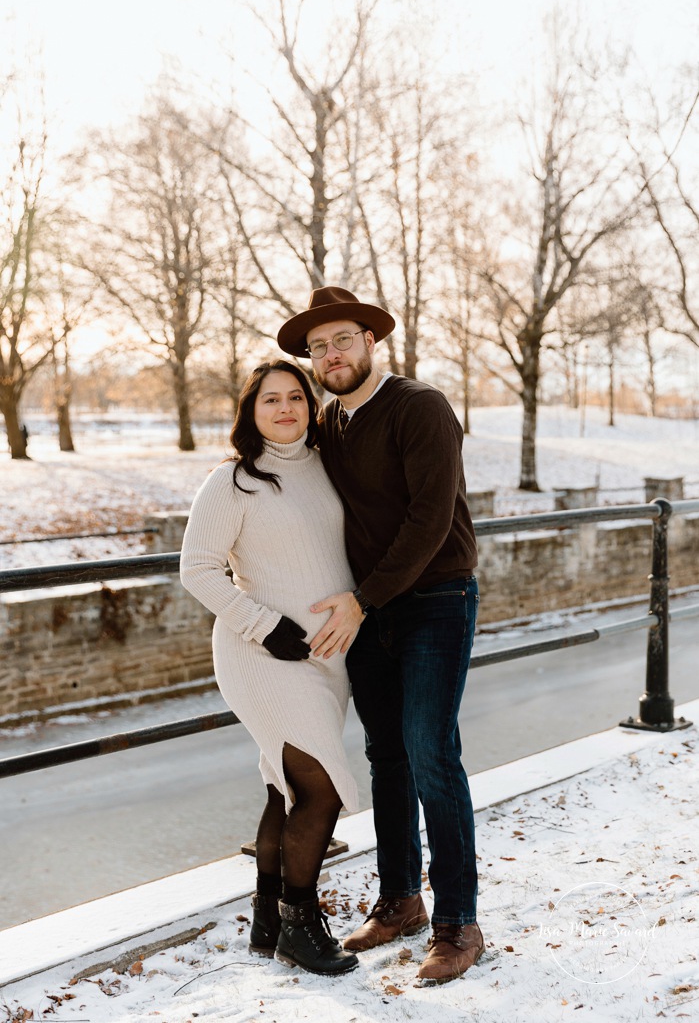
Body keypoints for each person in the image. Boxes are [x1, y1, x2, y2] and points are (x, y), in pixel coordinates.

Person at [277, 286, 483, 985]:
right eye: (317, 348)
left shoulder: (418, 407)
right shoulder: (330, 424)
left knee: (430, 751)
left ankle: (458, 920)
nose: (329, 356)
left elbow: (429, 521)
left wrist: (361, 600)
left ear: (370, 339)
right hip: (365, 610)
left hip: (434, 598)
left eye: (340, 340)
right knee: (385, 755)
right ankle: (400, 901)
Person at [179, 359, 359, 976]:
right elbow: (197, 568)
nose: (284, 409)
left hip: (327, 656)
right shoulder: (233, 480)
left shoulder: (329, 468)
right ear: (250, 413)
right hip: (261, 653)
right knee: (321, 787)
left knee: (284, 787)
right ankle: (300, 927)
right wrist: (265, 626)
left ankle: (265, 914)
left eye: (294, 398)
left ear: (310, 406)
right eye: (269, 401)